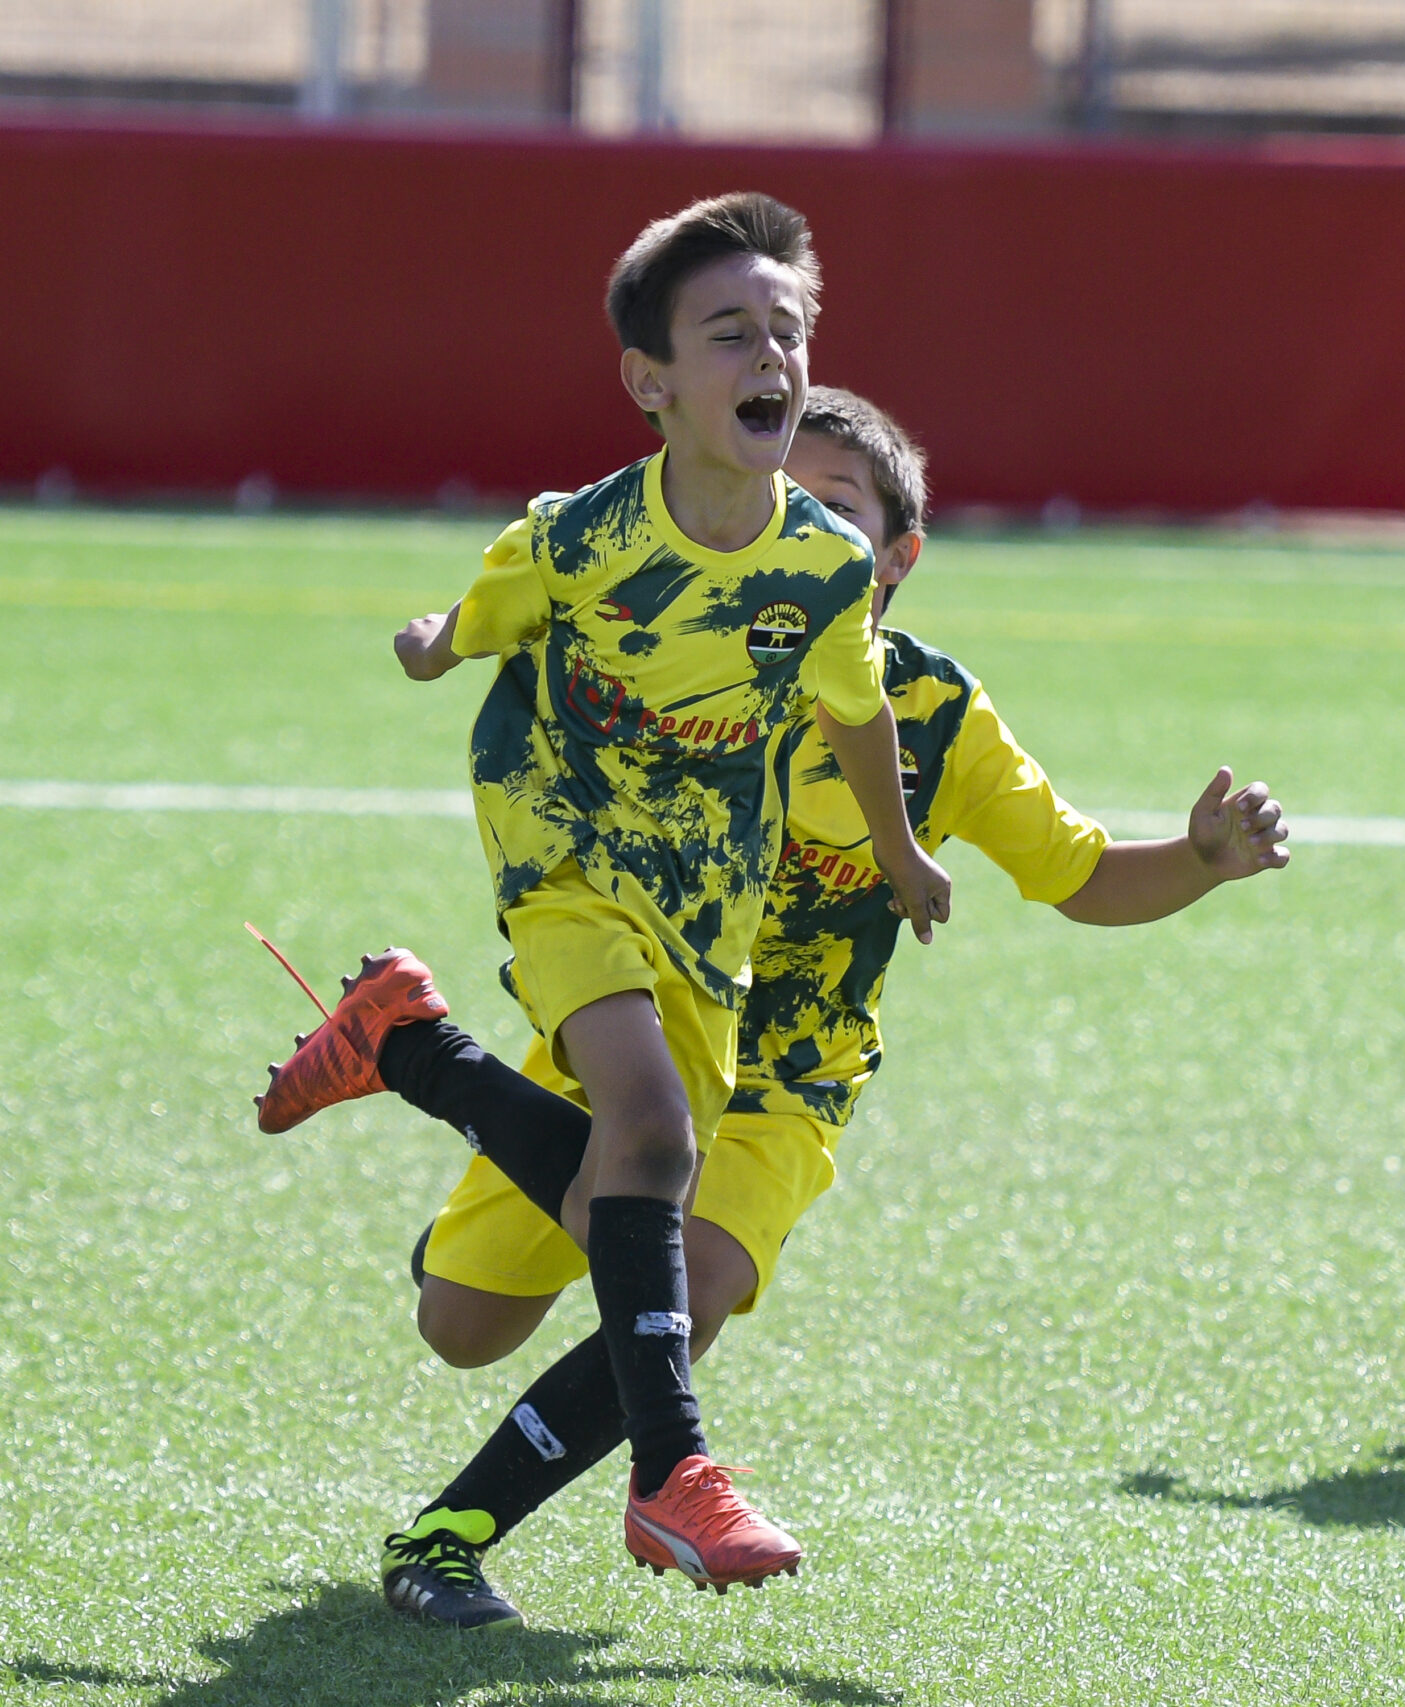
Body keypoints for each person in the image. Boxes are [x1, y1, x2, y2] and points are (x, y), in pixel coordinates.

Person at [277, 388, 1290, 1628]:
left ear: (897, 557)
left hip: (787, 1081)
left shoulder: (933, 715)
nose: (800, 520)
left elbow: (1079, 876)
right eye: (786, 497)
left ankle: (447, 1534)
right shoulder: (691, 651)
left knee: (685, 1289)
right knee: (463, 1327)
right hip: (631, 1037)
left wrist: (1198, 861)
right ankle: (421, 1052)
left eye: (839, 508)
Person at [255, 195, 950, 1597]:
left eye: (788, 331)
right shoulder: (582, 538)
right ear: (652, 381)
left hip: (704, 894)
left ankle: (411, 1045)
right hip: (559, 844)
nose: (770, 355)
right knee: (654, 1133)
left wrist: (899, 848)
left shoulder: (823, 564)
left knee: (545, 1261)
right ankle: (673, 1474)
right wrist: (429, 646)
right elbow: (477, 620)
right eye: (730, 333)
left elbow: (858, 709)